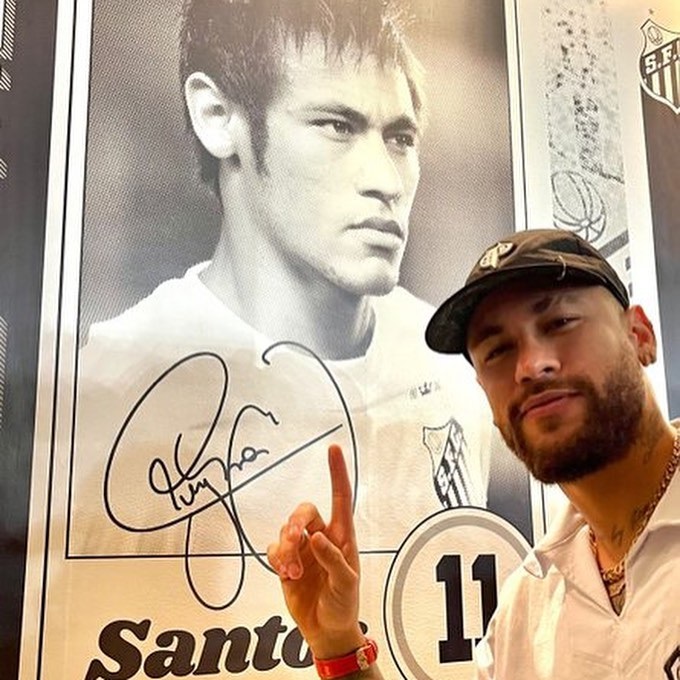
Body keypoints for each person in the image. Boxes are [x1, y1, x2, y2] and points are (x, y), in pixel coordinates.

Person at [66, 1, 503, 675]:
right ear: (219, 118)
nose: (386, 181)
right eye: (336, 125)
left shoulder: (447, 364)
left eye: (401, 138)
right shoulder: (115, 381)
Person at [268, 227, 680, 679]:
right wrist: (337, 643)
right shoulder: (526, 612)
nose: (530, 366)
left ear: (640, 334)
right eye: (498, 350)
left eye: (560, 323)